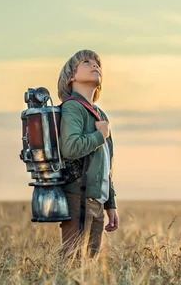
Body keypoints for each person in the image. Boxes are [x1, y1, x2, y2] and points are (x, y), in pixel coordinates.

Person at [56, 49, 119, 259]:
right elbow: (70, 148)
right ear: (71, 76)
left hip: (96, 202)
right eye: (87, 62)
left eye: (98, 63)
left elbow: (106, 165)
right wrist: (100, 136)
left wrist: (110, 203)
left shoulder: (100, 114)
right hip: (78, 197)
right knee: (74, 264)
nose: (95, 65)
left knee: (89, 269)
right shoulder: (73, 107)